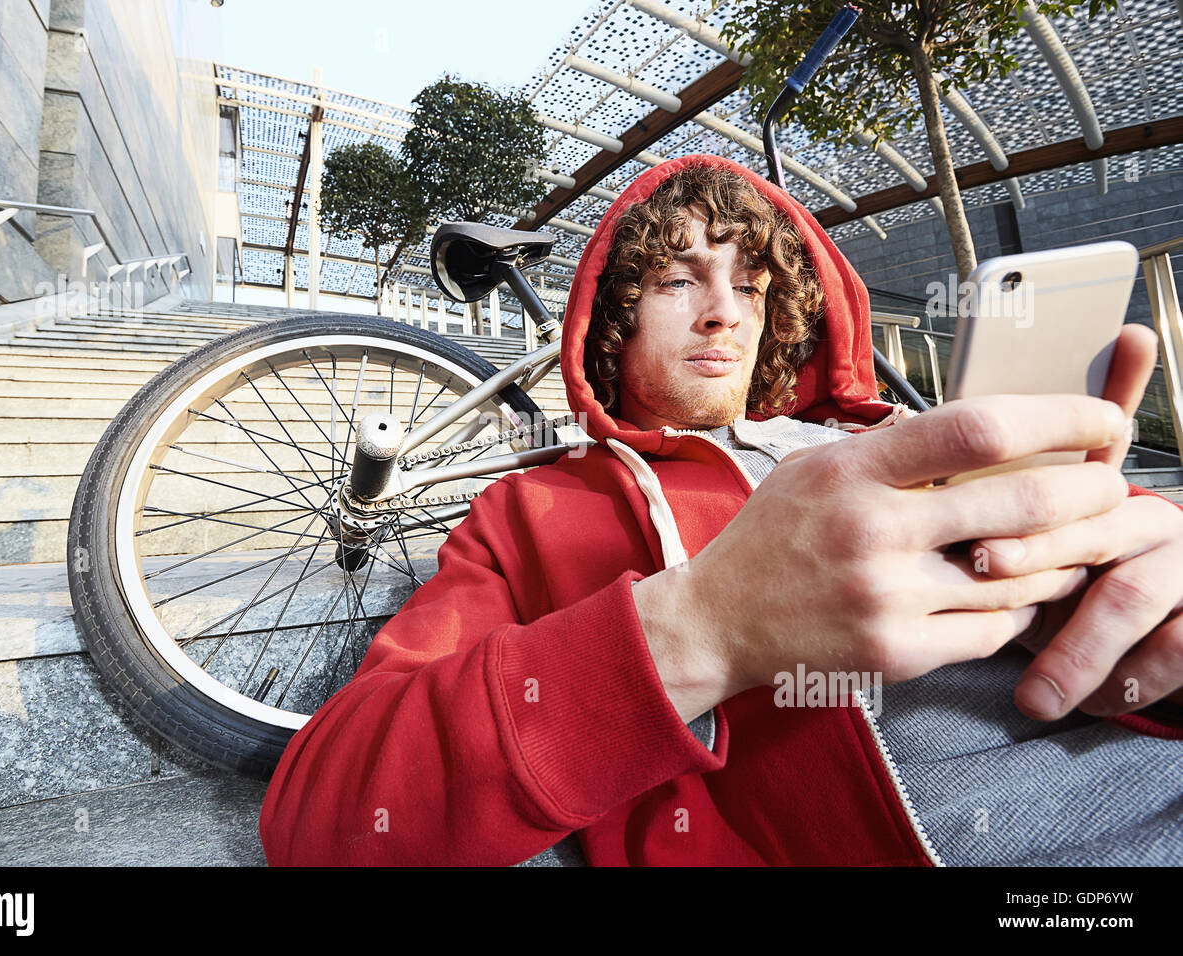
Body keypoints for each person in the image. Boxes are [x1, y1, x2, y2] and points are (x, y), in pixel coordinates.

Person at [259, 154, 1183, 866]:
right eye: (677, 281)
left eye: (750, 286)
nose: (723, 314)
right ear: (614, 318)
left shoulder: (909, 433)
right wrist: (703, 627)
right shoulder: (531, 508)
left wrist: (1145, 611)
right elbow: (326, 815)